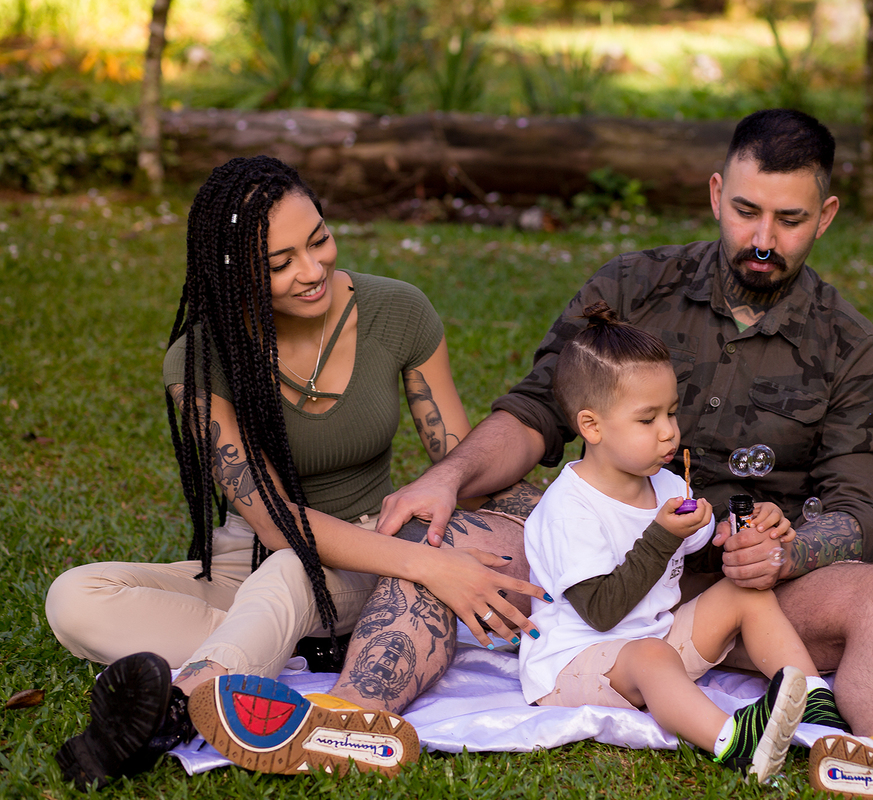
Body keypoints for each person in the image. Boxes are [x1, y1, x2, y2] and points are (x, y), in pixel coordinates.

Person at [343, 109, 873, 800]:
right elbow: (535, 412)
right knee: (436, 540)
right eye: (745, 210)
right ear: (714, 194)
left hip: (751, 586)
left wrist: (786, 552)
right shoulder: (634, 288)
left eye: (789, 219)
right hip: (604, 550)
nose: (762, 239)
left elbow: (861, 512)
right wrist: (449, 476)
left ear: (826, 216)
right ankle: (345, 719)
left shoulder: (851, 346)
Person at [44, 155, 545, 788]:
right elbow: (277, 524)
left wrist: (481, 532)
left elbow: (459, 461)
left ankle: (177, 708)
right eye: (279, 264)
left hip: (362, 551)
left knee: (288, 573)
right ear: (231, 275)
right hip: (244, 564)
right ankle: (286, 653)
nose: (312, 272)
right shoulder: (199, 359)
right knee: (74, 597)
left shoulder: (398, 312)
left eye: (319, 241)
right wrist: (432, 569)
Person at [518, 302, 850, 784]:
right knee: (651, 657)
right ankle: (735, 742)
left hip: (652, 644)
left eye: (672, 412)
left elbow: (701, 556)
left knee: (744, 593)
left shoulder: (668, 484)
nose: (670, 431)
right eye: (647, 419)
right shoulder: (569, 508)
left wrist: (742, 533)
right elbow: (602, 611)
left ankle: (812, 701)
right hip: (575, 663)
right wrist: (658, 537)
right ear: (591, 426)